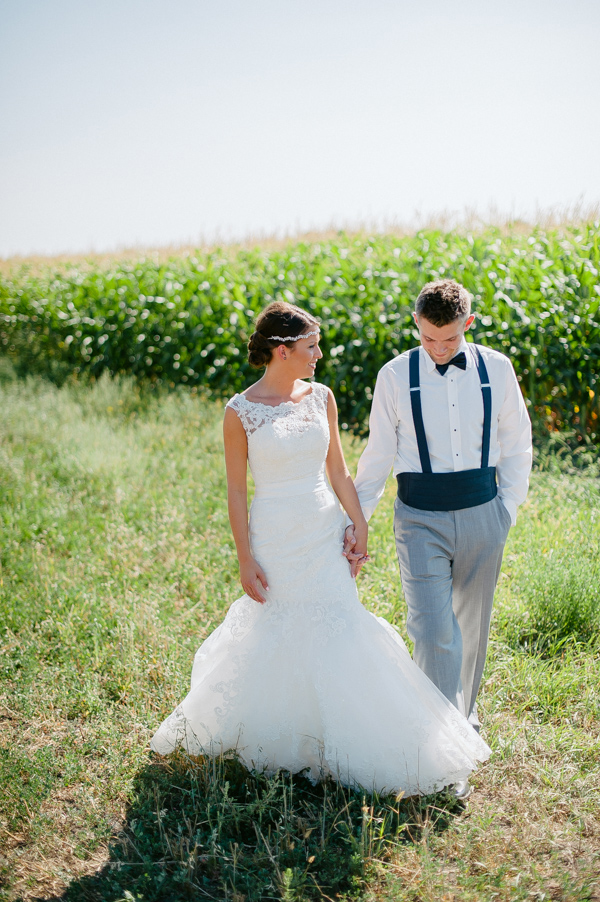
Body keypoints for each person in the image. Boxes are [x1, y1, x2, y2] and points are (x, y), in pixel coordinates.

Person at [151, 300, 490, 797]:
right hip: (274, 536)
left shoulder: (322, 397)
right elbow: (236, 493)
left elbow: (338, 470)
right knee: (279, 623)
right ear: (282, 350)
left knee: (338, 620)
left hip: (321, 530)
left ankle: (350, 734)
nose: (319, 354)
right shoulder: (238, 412)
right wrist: (245, 558)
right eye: (311, 347)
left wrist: (359, 523)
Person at [345, 280, 532, 765]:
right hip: (419, 516)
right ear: (417, 325)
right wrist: (357, 521)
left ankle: (462, 720)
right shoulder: (394, 375)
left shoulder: (497, 368)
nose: (439, 350)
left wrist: (505, 510)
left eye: (449, 340)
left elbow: (516, 441)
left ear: (467, 324)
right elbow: (379, 454)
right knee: (431, 630)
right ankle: (434, 737)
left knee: (471, 628)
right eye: (429, 339)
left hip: (482, 510)